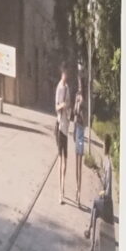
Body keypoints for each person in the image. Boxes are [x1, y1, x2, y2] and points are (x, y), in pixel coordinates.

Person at [53, 64, 73, 205]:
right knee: (60, 160)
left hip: (66, 127)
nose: (66, 76)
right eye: (64, 74)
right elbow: (56, 107)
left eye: (67, 74)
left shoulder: (67, 88)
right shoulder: (59, 88)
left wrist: (69, 110)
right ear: (62, 74)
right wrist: (62, 106)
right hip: (60, 127)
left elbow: (69, 105)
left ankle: (63, 186)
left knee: (66, 161)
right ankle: (60, 192)